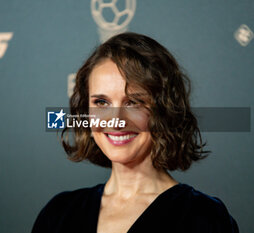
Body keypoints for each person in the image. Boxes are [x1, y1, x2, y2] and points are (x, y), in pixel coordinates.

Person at [31, 32, 239, 233]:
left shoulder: (203, 218)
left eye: (133, 102)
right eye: (101, 102)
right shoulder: (59, 213)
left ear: (164, 111)